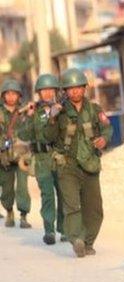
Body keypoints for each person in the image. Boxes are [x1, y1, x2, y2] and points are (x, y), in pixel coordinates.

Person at [44, 68, 112, 258]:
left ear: (84, 88)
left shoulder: (94, 109)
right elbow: (47, 137)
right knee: (72, 205)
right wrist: (51, 118)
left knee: (95, 209)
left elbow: (107, 129)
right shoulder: (58, 112)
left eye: (78, 88)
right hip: (67, 165)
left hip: (90, 164)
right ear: (64, 91)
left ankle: (88, 242)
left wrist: (104, 140)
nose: (75, 92)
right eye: (70, 89)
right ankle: (76, 240)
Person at [17, 74, 65, 244]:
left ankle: (64, 229)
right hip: (42, 158)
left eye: (50, 89)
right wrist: (28, 116)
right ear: (38, 92)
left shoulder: (61, 109)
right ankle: (49, 230)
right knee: (47, 194)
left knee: (63, 192)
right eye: (43, 90)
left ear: (55, 91)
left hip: (59, 156)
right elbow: (22, 134)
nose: (47, 93)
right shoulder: (35, 112)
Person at [0, 78, 31, 228]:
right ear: (3, 95)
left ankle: (23, 216)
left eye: (14, 94)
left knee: (23, 187)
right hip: (4, 156)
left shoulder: (25, 111)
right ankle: (9, 211)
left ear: (19, 95)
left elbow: (34, 128)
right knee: (6, 188)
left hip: (22, 155)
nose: (11, 97)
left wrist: (31, 115)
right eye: (8, 94)